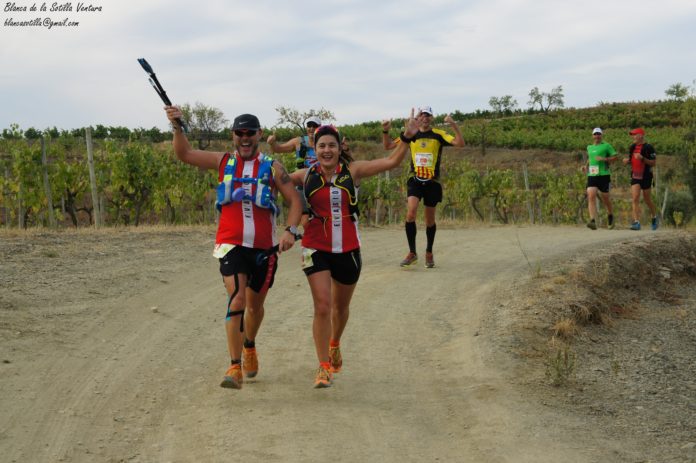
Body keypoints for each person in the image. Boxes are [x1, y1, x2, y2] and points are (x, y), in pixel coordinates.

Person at [165, 106, 302, 390]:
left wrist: (290, 230)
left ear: (259, 135)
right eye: (239, 133)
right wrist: (178, 127)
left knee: (255, 306)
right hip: (230, 245)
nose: (244, 138)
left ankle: (249, 345)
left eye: (249, 133)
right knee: (238, 299)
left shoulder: (274, 167)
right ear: (233, 136)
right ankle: (234, 365)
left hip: (264, 249)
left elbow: (295, 201)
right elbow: (184, 154)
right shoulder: (223, 161)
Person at [289, 113, 419, 388]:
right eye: (321, 145)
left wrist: (406, 137)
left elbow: (392, 161)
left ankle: (335, 343)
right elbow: (278, 183)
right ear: (314, 149)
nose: (326, 150)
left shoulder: (354, 171)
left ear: (339, 148)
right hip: (315, 247)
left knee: (340, 308)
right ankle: (323, 367)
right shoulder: (305, 175)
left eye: (331, 145)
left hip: (348, 248)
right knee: (322, 306)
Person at [382, 106, 465, 268]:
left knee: (429, 220)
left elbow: (460, 143)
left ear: (432, 118)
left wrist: (453, 124)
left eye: (428, 115)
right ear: (418, 117)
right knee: (411, 213)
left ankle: (429, 252)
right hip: (415, 180)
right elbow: (388, 146)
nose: (425, 118)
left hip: (432, 182)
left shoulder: (438, 134)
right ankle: (412, 252)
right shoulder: (411, 133)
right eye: (422, 115)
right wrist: (385, 131)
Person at [267, 116, 322, 229]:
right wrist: (272, 143)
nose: (311, 128)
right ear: (306, 128)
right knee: (305, 221)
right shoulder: (299, 142)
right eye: (309, 126)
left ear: (319, 128)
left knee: (322, 218)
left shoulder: (324, 142)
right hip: (302, 185)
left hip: (321, 184)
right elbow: (279, 148)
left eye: (315, 126)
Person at [622, 128, 658, 230]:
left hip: (646, 176)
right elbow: (632, 159)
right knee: (635, 198)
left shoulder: (648, 147)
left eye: (635, 135)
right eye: (632, 135)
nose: (633, 137)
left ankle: (654, 217)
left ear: (641, 135)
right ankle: (636, 222)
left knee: (647, 199)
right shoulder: (632, 147)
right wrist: (627, 161)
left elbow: (653, 163)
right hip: (635, 175)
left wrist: (642, 158)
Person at [582, 127, 617, 230]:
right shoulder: (589, 147)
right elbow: (590, 158)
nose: (597, 136)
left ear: (601, 135)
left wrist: (604, 159)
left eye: (599, 134)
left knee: (605, 198)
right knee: (591, 195)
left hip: (604, 175)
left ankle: (610, 215)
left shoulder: (606, 146)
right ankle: (592, 220)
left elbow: (615, 157)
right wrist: (585, 166)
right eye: (595, 134)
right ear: (592, 136)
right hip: (592, 175)